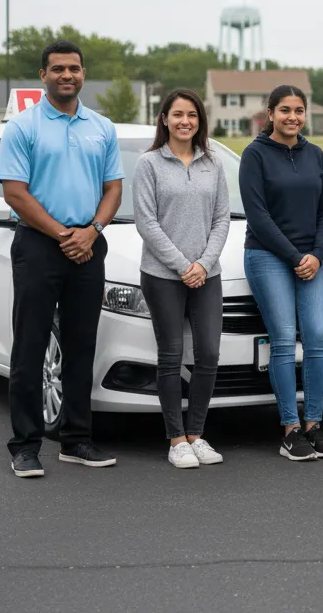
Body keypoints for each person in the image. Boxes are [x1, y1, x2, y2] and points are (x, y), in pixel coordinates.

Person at [0, 40, 124, 477]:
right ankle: (26, 445)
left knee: (80, 346)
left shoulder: (101, 128)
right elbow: (14, 191)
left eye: (73, 68)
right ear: (43, 76)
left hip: (89, 244)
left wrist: (93, 231)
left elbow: (113, 189)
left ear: (83, 74)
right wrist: (63, 233)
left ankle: (75, 439)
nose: (66, 75)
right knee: (30, 346)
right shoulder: (23, 127)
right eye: (57, 69)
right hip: (38, 245)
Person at [240, 85, 323, 461]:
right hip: (268, 256)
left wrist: (316, 255)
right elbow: (258, 215)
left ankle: (314, 424)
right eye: (285, 110)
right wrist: (296, 257)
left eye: (299, 110)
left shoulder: (314, 154)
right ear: (270, 113)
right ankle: (290, 429)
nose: (293, 117)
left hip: (312, 259)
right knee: (282, 339)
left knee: (316, 338)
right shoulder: (255, 154)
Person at [133, 89, 230, 469]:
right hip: (162, 275)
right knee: (171, 356)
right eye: (177, 115)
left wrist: (203, 264)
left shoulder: (214, 163)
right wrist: (182, 266)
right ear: (164, 119)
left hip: (208, 274)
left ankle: (197, 434)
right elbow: (146, 222)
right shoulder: (149, 164)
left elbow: (222, 218)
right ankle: (176, 439)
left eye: (192, 115)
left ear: (199, 120)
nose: (185, 121)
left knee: (208, 354)